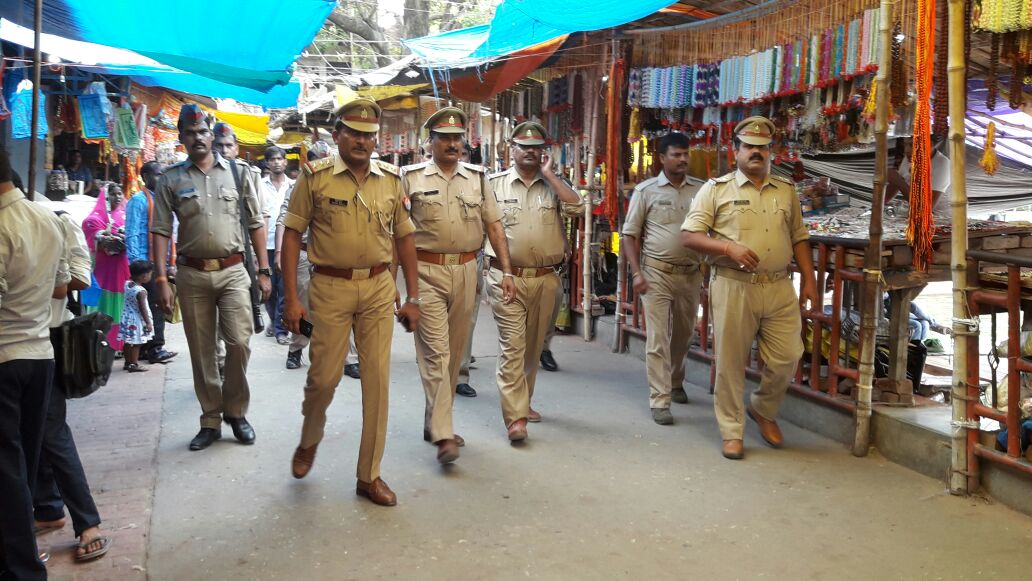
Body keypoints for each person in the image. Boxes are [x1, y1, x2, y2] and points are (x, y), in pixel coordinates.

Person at [282, 98, 420, 507]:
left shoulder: (392, 180)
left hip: (378, 287)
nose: (362, 141)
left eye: (368, 135)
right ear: (337, 134)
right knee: (323, 378)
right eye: (354, 133)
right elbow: (292, 237)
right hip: (329, 289)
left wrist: (413, 295)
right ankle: (310, 438)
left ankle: (369, 475)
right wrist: (291, 298)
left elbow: (405, 238)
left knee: (377, 380)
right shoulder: (314, 178)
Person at [681, 116, 817, 460]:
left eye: (762, 147)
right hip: (733, 285)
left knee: (789, 357)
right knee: (730, 362)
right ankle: (731, 429)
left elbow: (799, 237)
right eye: (749, 146)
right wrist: (728, 248)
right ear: (736, 150)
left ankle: (763, 408)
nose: (756, 152)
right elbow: (689, 236)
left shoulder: (786, 190)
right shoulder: (716, 190)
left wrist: (810, 281)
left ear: (771, 151)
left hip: (779, 287)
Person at [151, 104, 272, 451]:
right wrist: (162, 279)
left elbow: (255, 223)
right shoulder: (170, 179)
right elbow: (160, 230)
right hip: (191, 275)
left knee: (239, 343)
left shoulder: (238, 173)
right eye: (190, 133)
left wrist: (263, 271)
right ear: (182, 139)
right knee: (202, 350)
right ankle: (210, 420)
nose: (197, 138)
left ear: (211, 134)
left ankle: (236, 410)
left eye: (202, 131)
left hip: (234, 271)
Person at [402, 106, 515, 462]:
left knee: (454, 354)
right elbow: (397, 233)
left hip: (467, 270)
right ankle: (443, 433)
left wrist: (507, 271)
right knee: (436, 351)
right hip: (425, 272)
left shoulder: (478, 179)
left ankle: (432, 420)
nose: (452, 144)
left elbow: (495, 226)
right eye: (444, 138)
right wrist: (397, 290)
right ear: (430, 142)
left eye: (457, 138)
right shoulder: (410, 177)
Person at [0, 145, 70, 581]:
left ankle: (22, 568)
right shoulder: (48, 218)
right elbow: (63, 286)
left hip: (6, 356)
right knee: (20, 462)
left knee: (8, 468)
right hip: (40, 353)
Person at [487, 121, 582, 442]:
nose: (529, 152)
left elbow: (577, 207)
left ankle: (523, 402)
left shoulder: (553, 186)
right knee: (513, 347)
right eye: (523, 146)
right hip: (507, 278)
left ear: (544, 152)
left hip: (545, 280)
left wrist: (551, 175)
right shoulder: (494, 185)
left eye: (536, 147)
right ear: (510, 149)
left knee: (532, 347)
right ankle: (515, 418)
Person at [33, 203, 111, 563]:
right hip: (16, 341)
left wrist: (33, 277)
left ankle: (87, 522)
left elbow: (75, 281)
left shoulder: (56, 223)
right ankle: (47, 507)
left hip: (42, 338)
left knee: (51, 433)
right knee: (31, 434)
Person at [621, 132, 704, 425]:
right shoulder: (646, 191)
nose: (683, 159)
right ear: (662, 158)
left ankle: (675, 380)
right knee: (658, 338)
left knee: (684, 335)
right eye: (676, 154)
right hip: (656, 273)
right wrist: (636, 273)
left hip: (691, 274)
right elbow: (629, 235)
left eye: (685, 154)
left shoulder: (702, 191)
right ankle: (660, 399)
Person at [277, 144, 360, 375]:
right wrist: (279, 254)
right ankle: (296, 349)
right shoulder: (298, 186)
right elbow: (285, 223)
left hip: (332, 259)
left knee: (343, 308)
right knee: (304, 308)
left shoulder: (343, 185)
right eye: (317, 159)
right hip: (304, 254)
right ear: (309, 161)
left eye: (326, 158)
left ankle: (349, 358)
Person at [124, 161, 177, 364]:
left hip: (159, 261)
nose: (162, 178)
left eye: (164, 174)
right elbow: (132, 232)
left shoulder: (163, 200)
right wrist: (138, 264)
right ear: (145, 177)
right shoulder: (139, 200)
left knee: (153, 305)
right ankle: (156, 347)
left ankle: (147, 347)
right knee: (154, 305)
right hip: (146, 263)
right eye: (157, 174)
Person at [81, 183, 130, 354]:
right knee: (102, 306)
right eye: (113, 194)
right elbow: (90, 232)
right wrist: (102, 236)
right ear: (106, 197)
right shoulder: (95, 218)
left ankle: (119, 345)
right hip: (102, 272)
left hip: (121, 270)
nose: (117, 197)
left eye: (120, 193)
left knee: (121, 306)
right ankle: (100, 343)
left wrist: (123, 237)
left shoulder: (126, 216)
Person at [261, 146, 293, 345]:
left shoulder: (294, 185)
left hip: (288, 245)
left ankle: (281, 330)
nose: (276, 162)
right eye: (272, 159)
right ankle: (274, 321)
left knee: (285, 288)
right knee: (268, 289)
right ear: (267, 163)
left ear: (285, 161)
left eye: (280, 158)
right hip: (265, 244)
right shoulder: (259, 186)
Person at [885, 136, 951, 213]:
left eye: (912, 145)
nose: (907, 150)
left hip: (943, 220)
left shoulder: (942, 163)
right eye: (905, 145)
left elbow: (926, 209)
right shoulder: (911, 157)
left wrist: (899, 182)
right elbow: (888, 193)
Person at [118, 260, 156, 372]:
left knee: (127, 341)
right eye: (150, 274)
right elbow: (142, 308)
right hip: (137, 320)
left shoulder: (127, 284)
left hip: (126, 318)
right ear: (144, 276)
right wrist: (148, 322)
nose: (150, 277)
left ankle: (127, 362)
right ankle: (134, 364)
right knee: (137, 343)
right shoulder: (141, 291)